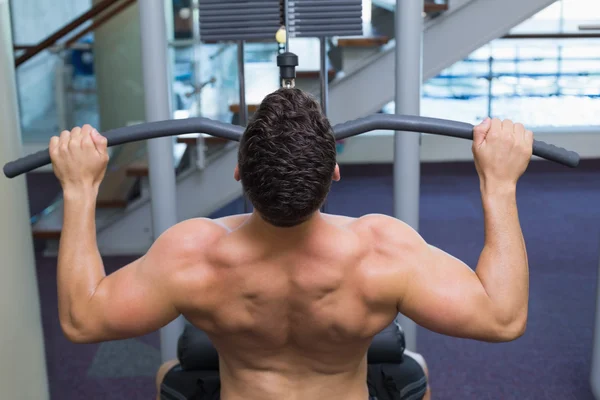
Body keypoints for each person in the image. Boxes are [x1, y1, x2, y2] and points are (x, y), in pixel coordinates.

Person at [49, 88, 533, 400]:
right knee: (417, 366)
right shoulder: (384, 250)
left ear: (241, 174)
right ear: (334, 174)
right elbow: (503, 317)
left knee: (168, 373)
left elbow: (81, 319)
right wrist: (500, 182)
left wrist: (79, 188)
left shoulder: (189, 254)